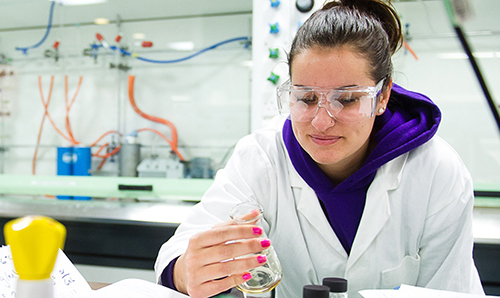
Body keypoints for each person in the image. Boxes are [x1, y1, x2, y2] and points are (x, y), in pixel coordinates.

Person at [155, 0, 485, 297]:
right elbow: (178, 255)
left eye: (347, 99)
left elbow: (449, 291)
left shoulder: (436, 171)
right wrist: (188, 271)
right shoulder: (262, 157)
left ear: (382, 97)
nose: (322, 122)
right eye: (306, 98)